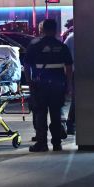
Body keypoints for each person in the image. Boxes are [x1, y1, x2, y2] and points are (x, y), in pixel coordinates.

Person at [24, 19, 73, 152]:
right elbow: (69, 66)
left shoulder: (35, 45)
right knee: (56, 114)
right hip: (58, 84)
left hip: (40, 84)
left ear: (42, 30)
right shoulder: (61, 46)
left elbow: (27, 65)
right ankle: (57, 143)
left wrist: (29, 82)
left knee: (40, 113)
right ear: (55, 30)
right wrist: (68, 85)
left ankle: (42, 143)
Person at [63, 27, 76, 136]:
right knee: (77, 100)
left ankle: (71, 124)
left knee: (76, 100)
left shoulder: (70, 38)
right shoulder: (72, 38)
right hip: (75, 73)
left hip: (74, 72)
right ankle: (71, 124)